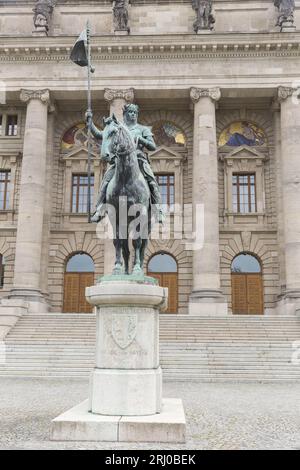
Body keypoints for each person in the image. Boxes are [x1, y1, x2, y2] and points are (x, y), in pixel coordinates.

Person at [86, 103, 164, 223]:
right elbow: (100, 135)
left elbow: (152, 146)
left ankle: (158, 211)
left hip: (139, 160)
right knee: (106, 181)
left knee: (152, 182)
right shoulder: (117, 128)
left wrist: (141, 139)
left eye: (135, 112)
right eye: (130, 112)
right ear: (125, 114)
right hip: (119, 161)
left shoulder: (142, 129)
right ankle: (99, 209)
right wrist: (90, 122)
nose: (133, 114)